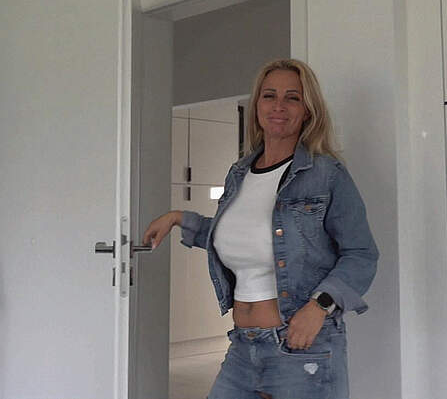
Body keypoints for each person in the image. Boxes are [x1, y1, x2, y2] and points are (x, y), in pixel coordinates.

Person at [143, 58, 378, 399]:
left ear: (307, 111)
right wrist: (180, 217)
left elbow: (361, 254)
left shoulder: (326, 174)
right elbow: (242, 240)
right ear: (257, 106)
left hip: (301, 346)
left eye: (292, 97)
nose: (278, 106)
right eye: (269, 96)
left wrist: (319, 306)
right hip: (243, 346)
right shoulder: (240, 173)